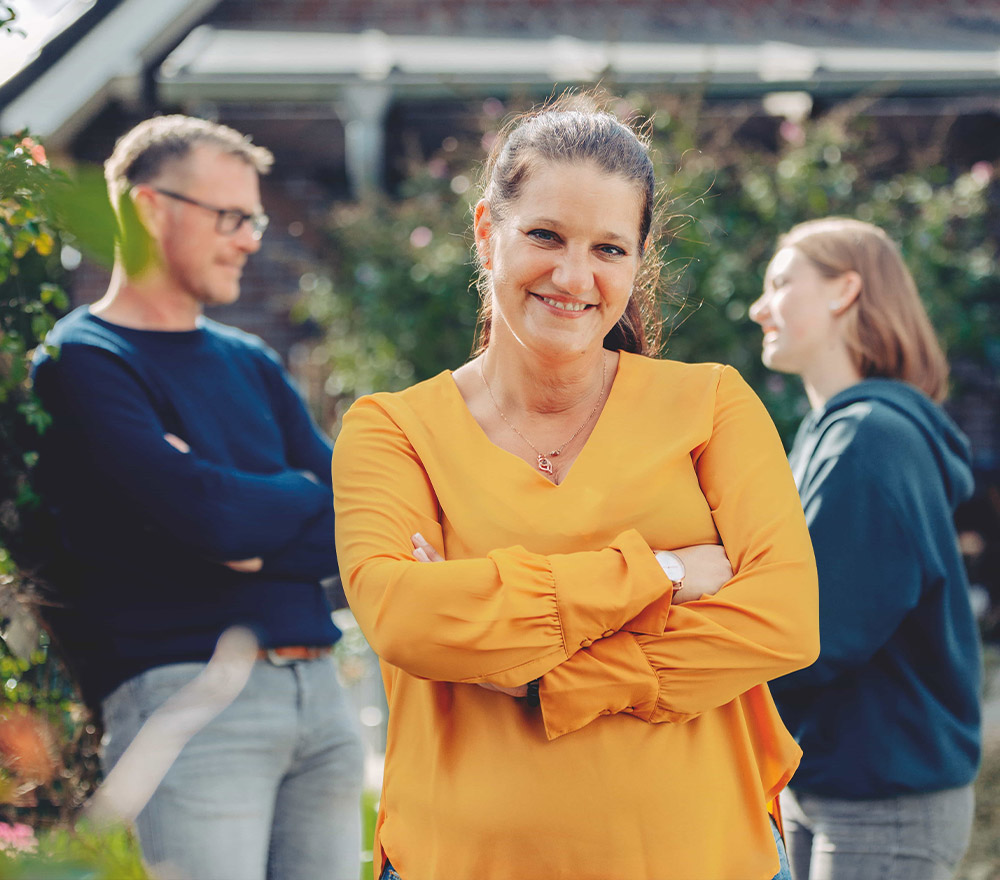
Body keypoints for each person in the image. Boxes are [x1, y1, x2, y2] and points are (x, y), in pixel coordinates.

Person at [332, 95, 819, 880]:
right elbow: (406, 618)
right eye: (545, 235)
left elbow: (784, 621)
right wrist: (661, 574)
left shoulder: (712, 404)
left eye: (608, 249)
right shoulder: (392, 429)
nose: (573, 276)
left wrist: (538, 674)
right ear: (488, 233)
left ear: (638, 260)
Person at [31, 115, 364, 880]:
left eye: (255, 218)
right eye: (231, 217)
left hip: (320, 692)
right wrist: (267, 505)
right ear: (148, 208)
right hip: (191, 703)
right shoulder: (83, 361)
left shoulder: (250, 360)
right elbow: (210, 516)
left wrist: (251, 521)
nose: (250, 238)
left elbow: (357, 514)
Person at [750, 217, 982, 880]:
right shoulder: (832, 434)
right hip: (828, 781)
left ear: (844, 290)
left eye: (781, 282)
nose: (759, 306)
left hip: (883, 798)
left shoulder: (871, 439)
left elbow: (810, 631)